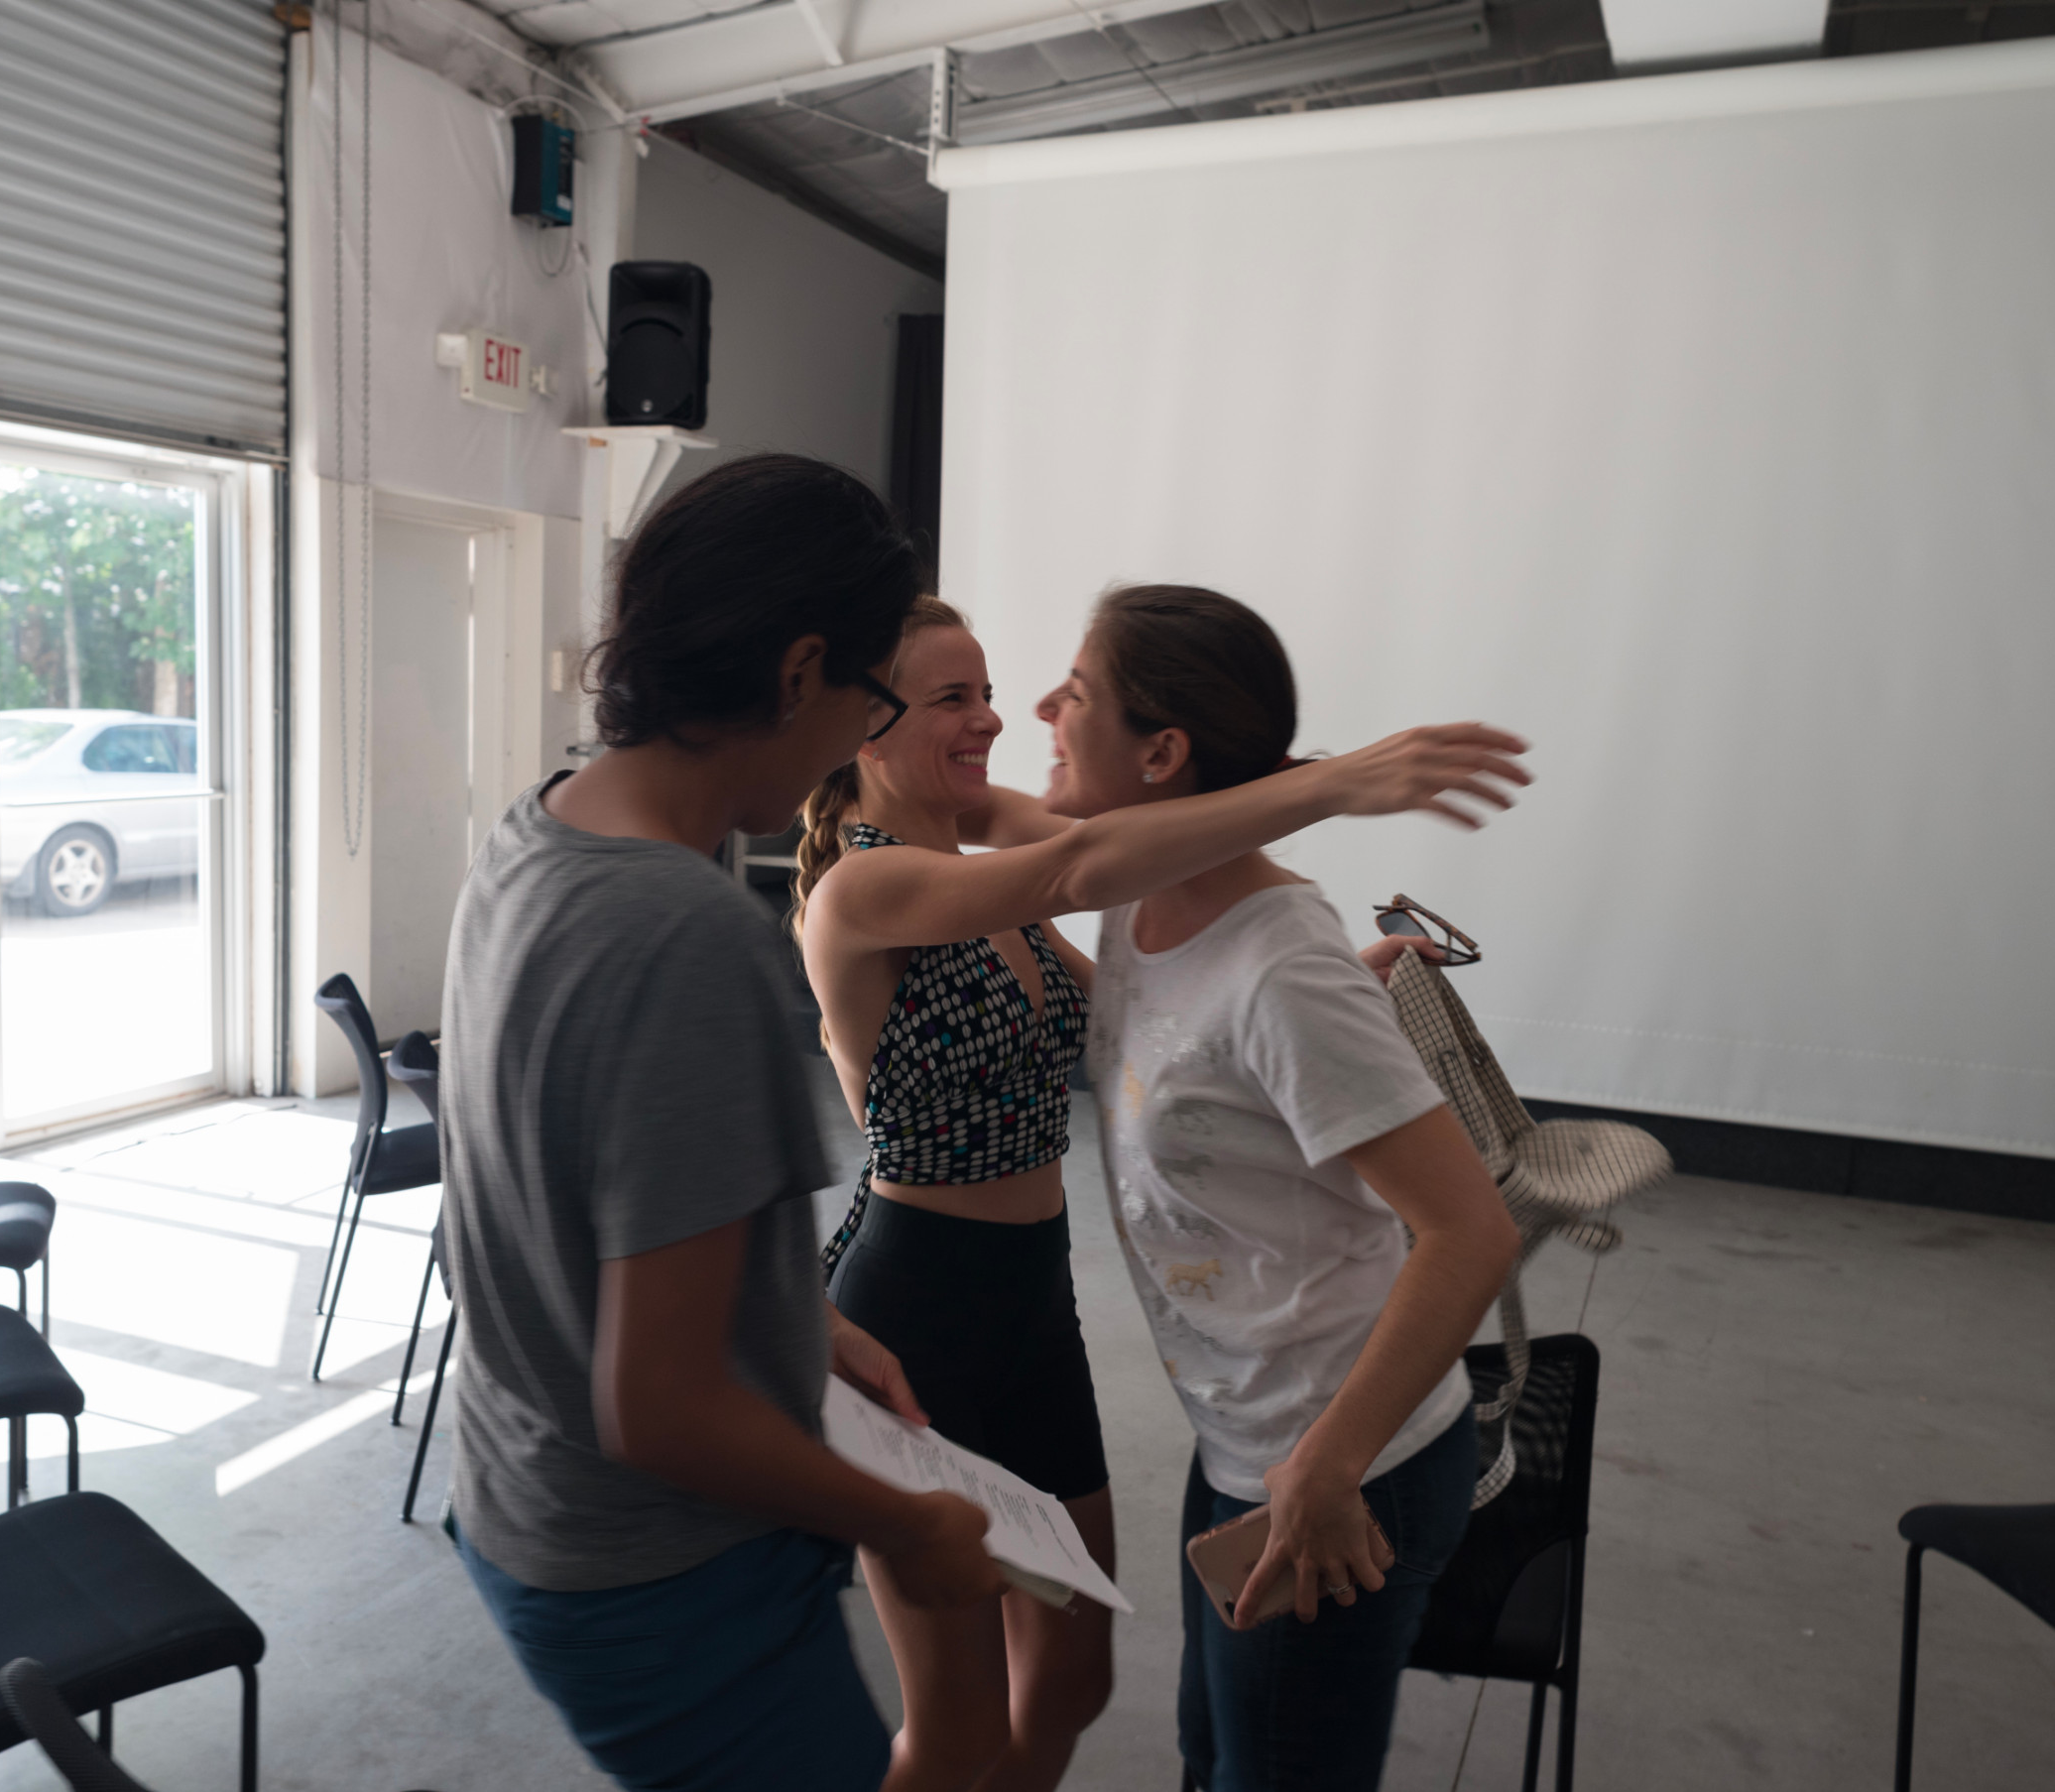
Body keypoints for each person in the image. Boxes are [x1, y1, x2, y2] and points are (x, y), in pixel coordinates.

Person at [792, 598, 1529, 1792]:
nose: (1001, 717)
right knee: (959, 1727)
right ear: (862, 725)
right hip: (917, 1311)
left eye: (998, 692)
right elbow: (1085, 859)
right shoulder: (863, 892)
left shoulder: (998, 853)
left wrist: (1316, 992)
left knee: (1070, 1679)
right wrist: (1336, 781)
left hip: (1036, 1307)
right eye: (952, 699)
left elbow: (1152, 1009)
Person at [435, 454, 1004, 1792]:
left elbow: (565, 1213)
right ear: (801, 670)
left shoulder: (534, 830)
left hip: (517, 1495)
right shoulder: (686, 932)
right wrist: (909, 1524)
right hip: (659, 1574)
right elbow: (662, 1407)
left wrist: (792, 1319)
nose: (855, 744)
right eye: (873, 701)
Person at [1037, 584, 1521, 1792]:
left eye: (1075, 692)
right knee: (1218, 1755)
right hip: (1245, 1440)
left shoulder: (1282, 968)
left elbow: (1469, 1232)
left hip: (1342, 1464)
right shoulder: (1141, 897)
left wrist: (1328, 1466)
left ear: (1161, 752)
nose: (1043, 708)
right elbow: (1197, 1037)